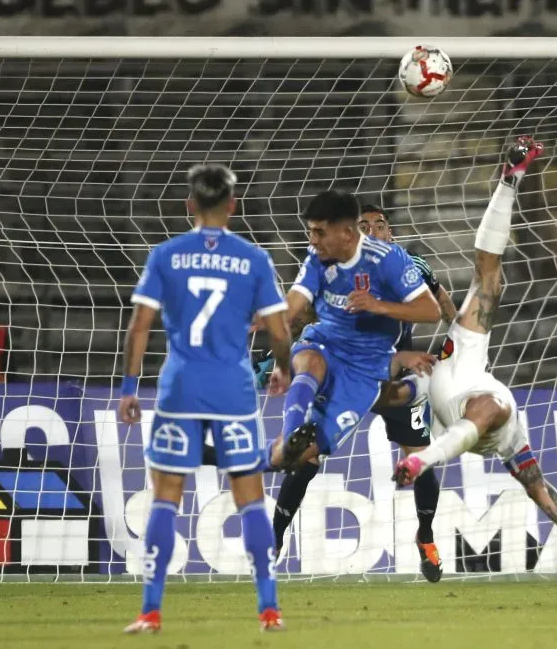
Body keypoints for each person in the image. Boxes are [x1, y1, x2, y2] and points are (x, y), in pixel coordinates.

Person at [388, 136, 557, 573]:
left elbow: (540, 492)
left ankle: (421, 460)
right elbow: (543, 491)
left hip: (443, 399)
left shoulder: (495, 425)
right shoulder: (513, 436)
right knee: (490, 280)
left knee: (472, 406)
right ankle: (511, 179)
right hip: (466, 363)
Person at [117, 164, 292, 634]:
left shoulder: (166, 255)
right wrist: (284, 368)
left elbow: (140, 326)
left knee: (165, 499)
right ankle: (269, 610)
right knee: (251, 501)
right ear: (232, 205)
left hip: (179, 390)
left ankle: (150, 612)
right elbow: (278, 330)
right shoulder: (254, 259)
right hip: (233, 393)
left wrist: (129, 389)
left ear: (189, 205)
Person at [270, 204, 455, 583]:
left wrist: (458, 351)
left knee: (420, 460)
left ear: (391, 234)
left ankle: (426, 536)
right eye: (363, 225)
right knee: (307, 455)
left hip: (396, 379)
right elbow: (306, 312)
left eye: (379, 225)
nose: (371, 230)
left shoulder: (408, 267)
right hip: (350, 371)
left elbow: (445, 308)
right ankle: (275, 535)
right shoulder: (335, 264)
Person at [266, 190, 442, 473]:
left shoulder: (390, 259)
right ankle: (291, 436)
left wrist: (378, 306)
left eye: (320, 232)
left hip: (365, 368)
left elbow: (432, 311)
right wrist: (268, 319)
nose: (313, 241)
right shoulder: (317, 257)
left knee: (288, 459)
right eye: (310, 231)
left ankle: (269, 454)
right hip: (325, 342)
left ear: (347, 233)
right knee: (311, 360)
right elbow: (292, 306)